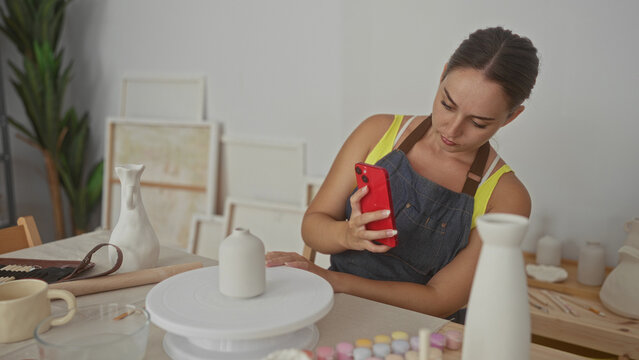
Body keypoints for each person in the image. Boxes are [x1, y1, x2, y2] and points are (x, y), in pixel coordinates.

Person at [266, 26, 539, 323]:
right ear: (442, 74)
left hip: (423, 331)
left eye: (478, 123)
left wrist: (336, 281)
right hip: (336, 307)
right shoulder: (377, 132)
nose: (452, 128)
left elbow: (439, 300)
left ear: (511, 116)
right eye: (447, 105)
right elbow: (313, 226)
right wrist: (346, 234)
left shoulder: (507, 197)